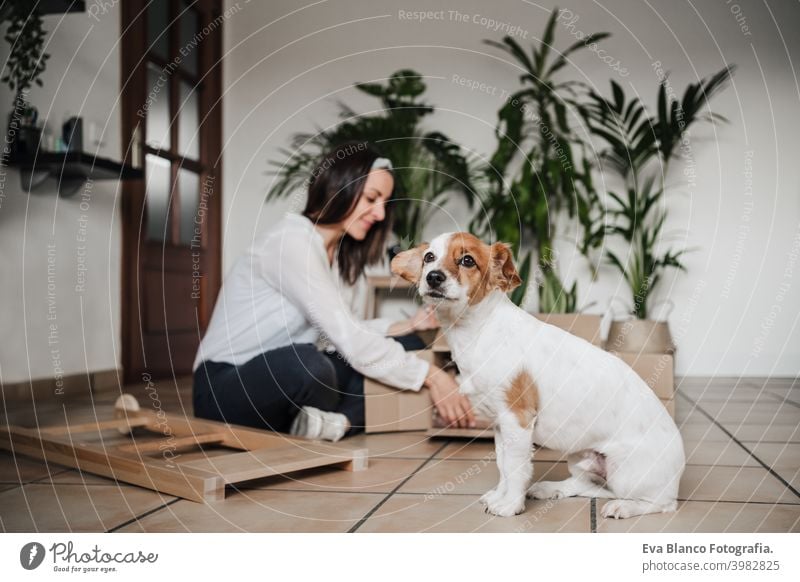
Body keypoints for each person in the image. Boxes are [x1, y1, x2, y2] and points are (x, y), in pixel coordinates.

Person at [192, 142, 475, 441]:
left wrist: (405, 326)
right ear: (340, 188)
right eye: (371, 198)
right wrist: (432, 376)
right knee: (310, 365)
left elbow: (344, 330)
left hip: (298, 375)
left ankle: (332, 423)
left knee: (406, 343)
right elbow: (349, 340)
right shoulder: (291, 243)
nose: (380, 214)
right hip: (223, 387)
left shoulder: (334, 256)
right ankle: (339, 416)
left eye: (384, 203)